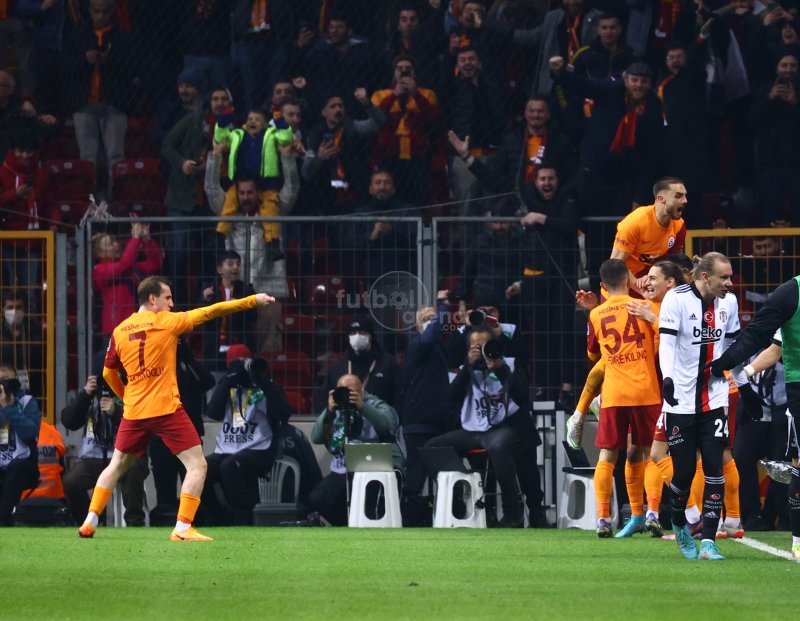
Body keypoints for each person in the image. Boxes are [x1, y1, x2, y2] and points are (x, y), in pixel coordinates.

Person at [76, 275, 275, 541]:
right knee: (198, 465)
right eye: (167, 298)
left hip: (135, 411)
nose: (171, 304)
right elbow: (212, 311)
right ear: (152, 299)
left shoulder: (120, 330)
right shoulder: (167, 322)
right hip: (166, 410)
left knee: (116, 464)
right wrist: (252, 300)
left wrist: (126, 395)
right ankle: (182, 527)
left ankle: (89, 521)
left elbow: (107, 373)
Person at [659, 252, 747, 560]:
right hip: (681, 399)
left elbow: (734, 347)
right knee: (683, 473)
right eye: (724, 277)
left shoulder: (729, 303)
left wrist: (743, 384)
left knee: (714, 466)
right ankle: (679, 523)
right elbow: (667, 343)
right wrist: (667, 379)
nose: (729, 283)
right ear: (705, 277)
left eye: (730, 276)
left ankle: (708, 541)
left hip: (715, 398)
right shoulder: (676, 299)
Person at [709, 270, 800, 560]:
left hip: (781, 404)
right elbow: (773, 346)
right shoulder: (790, 295)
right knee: (791, 463)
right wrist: (742, 371)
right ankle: (792, 537)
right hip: (785, 397)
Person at [586, 259, 661, 538]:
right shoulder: (645, 307)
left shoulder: (596, 314)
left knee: (607, 455)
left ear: (603, 285)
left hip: (614, 393)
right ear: (628, 281)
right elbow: (662, 342)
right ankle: (652, 513)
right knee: (651, 452)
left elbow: (592, 354)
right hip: (645, 390)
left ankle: (603, 518)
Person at [425, 327, 528, 527]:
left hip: (500, 429)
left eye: (485, 346)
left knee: (498, 447)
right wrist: (467, 366)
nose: (481, 352)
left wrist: (499, 368)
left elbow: (522, 396)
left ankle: (512, 514)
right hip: (470, 431)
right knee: (432, 447)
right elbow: (451, 398)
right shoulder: (463, 368)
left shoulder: (509, 364)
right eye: (475, 347)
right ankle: (459, 496)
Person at [549, 57, 664, 217]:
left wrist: (640, 197)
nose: (638, 85)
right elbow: (582, 85)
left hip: (625, 176)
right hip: (593, 170)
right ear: (626, 81)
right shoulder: (610, 91)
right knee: (590, 221)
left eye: (644, 81)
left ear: (650, 84)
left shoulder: (653, 108)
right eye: (634, 80)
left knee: (620, 223)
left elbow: (651, 155)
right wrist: (559, 72)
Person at [201, 344, 291, 525]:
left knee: (229, 466)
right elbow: (212, 413)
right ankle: (217, 518)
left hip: (259, 448)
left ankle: (243, 521)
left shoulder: (265, 386)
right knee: (200, 469)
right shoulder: (227, 387)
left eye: (245, 363)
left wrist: (261, 380)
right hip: (227, 448)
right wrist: (228, 379)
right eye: (237, 364)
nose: (242, 369)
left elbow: (283, 414)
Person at [61, 356, 149, 526]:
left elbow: (142, 422)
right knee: (70, 483)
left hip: (126, 456)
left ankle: (134, 521)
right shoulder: (91, 395)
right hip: (94, 457)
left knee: (134, 470)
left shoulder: (132, 389)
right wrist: (85, 394)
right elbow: (68, 421)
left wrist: (115, 412)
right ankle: (90, 520)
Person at [308, 373, 402, 526]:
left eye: (352, 391)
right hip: (342, 470)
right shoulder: (336, 408)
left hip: (371, 468)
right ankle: (343, 526)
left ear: (361, 390)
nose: (348, 395)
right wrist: (329, 410)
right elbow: (316, 437)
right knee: (317, 498)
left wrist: (362, 406)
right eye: (343, 391)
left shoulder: (375, 404)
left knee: (368, 503)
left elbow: (388, 424)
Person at [92, 222, 163, 337]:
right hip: (116, 328)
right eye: (110, 244)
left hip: (136, 325)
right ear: (100, 253)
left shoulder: (129, 267)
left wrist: (147, 239)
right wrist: (135, 238)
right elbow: (124, 265)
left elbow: (155, 263)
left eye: (115, 242)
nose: (116, 245)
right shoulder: (99, 270)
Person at [325, 316, 403, 411]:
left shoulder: (387, 363)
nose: (357, 337)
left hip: (379, 417)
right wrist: (330, 410)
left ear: (370, 336)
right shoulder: (338, 367)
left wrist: (391, 416)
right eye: (353, 333)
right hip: (345, 418)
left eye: (362, 333)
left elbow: (399, 395)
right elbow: (326, 399)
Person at [198, 251, 257, 371]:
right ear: (220, 269)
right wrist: (205, 301)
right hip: (215, 346)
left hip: (239, 343)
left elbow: (253, 317)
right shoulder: (210, 290)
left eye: (238, 264)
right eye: (230, 264)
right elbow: (200, 318)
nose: (235, 267)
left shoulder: (247, 291)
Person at [0, 362, 40, 525]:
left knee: (16, 467)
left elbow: (30, 433)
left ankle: (2, 521)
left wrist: (9, 408)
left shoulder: (27, 402)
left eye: (8, 381)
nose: (5, 386)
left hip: (24, 465)